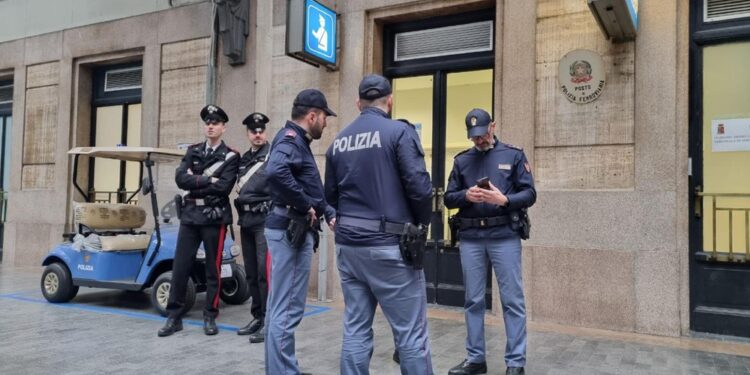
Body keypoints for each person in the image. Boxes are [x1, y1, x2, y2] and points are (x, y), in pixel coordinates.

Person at [324, 74, 434, 375]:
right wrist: (422, 226)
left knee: (356, 329)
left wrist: (337, 220)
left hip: (350, 247)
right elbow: (420, 188)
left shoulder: (338, 142)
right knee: (411, 334)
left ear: (358, 103)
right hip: (391, 247)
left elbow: (329, 197)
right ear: (390, 99)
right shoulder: (399, 132)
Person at [444, 109, 536, 375]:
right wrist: (466, 195)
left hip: (504, 236)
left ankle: (515, 363)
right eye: (474, 137)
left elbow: (530, 193)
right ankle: (475, 359)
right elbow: (449, 198)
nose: (479, 140)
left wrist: (504, 200)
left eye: (483, 134)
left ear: (493, 126)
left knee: (512, 300)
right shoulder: (461, 161)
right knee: (473, 300)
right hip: (472, 237)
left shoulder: (513, 154)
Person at [264, 89, 337, 375]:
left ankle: (280, 370)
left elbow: (306, 184)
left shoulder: (295, 140)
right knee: (289, 309)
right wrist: (305, 205)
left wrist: (326, 211)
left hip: (286, 228)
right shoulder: (291, 139)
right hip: (290, 232)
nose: (326, 124)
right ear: (312, 116)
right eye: (324, 118)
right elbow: (275, 171)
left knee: (278, 308)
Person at [158, 104, 239, 337]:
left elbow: (224, 188)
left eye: (215, 123)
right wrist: (209, 181)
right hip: (191, 216)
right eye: (208, 123)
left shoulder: (231, 156)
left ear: (223, 128)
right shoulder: (193, 151)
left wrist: (197, 180)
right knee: (180, 267)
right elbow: (180, 179)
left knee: (213, 269)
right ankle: (174, 316)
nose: (211, 126)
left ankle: (210, 316)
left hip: (214, 217)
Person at [234, 112, 272, 344]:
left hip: (264, 220)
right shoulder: (244, 159)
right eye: (253, 131)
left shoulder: (273, 155)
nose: (257, 134)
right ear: (248, 134)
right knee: (250, 273)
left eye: (261, 131)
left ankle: (269, 321)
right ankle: (257, 317)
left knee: (263, 274)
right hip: (246, 220)